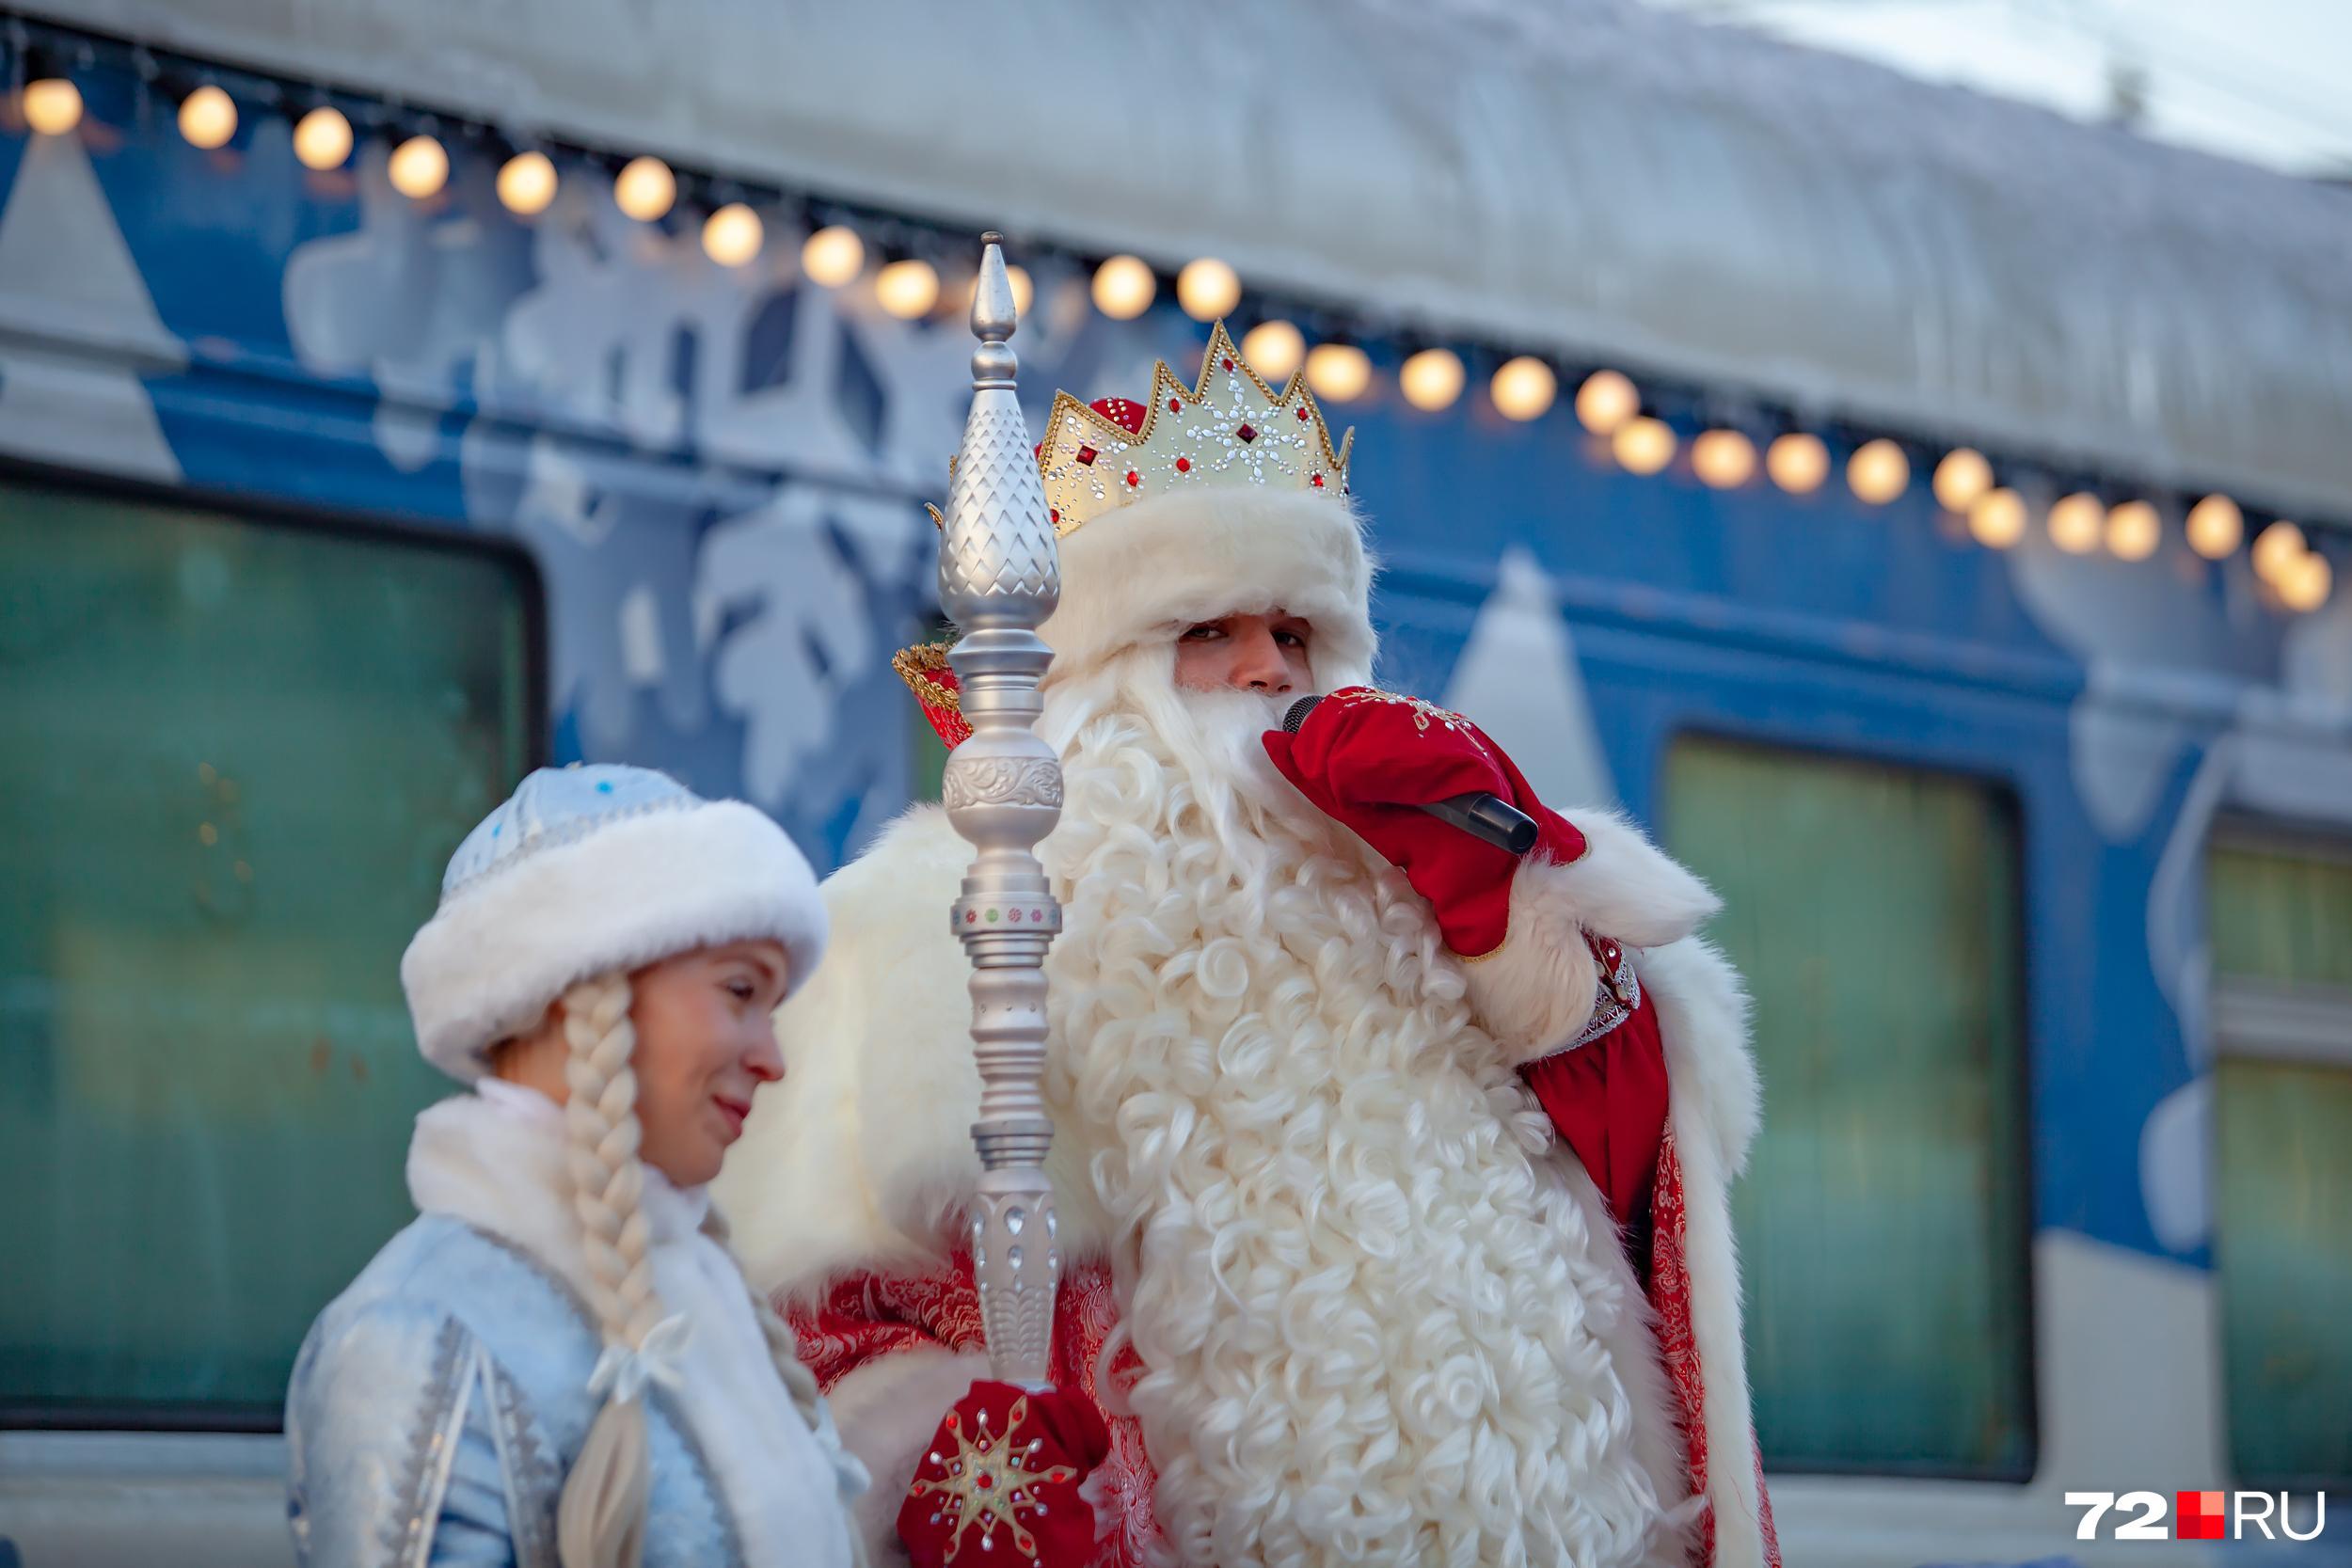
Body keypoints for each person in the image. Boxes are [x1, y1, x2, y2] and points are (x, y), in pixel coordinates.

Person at [715, 325, 1777, 1567]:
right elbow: (812, 1336)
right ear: (1097, 682)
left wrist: (1510, 901)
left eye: (1296, 634)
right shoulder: (930, 923)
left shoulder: (1439, 877)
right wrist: (937, 1459)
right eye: (1208, 632)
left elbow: (1650, 1181)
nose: (1267, 670)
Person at [285, 764, 869, 1568]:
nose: (772, 1059)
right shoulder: (416, 1332)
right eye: (740, 991)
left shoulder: (705, 1304)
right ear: (577, 987)